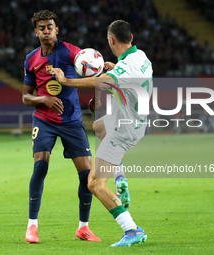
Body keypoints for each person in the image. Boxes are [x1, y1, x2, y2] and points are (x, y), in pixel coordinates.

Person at [51, 20, 153, 247]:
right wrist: (112, 68)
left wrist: (67, 81)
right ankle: (121, 178)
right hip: (134, 121)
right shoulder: (141, 58)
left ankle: (132, 230)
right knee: (98, 127)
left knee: (94, 183)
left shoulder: (124, 69)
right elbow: (119, 77)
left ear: (111, 40)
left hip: (123, 130)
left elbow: (105, 82)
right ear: (131, 38)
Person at [22, 10, 101, 243]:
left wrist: (96, 96)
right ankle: (32, 227)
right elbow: (26, 97)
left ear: (57, 29)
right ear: (36, 31)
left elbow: (96, 70)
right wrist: (43, 99)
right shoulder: (31, 59)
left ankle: (83, 227)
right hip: (44, 120)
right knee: (40, 167)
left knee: (87, 175)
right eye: (42, 27)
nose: (46, 31)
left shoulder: (71, 52)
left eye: (50, 27)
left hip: (72, 121)